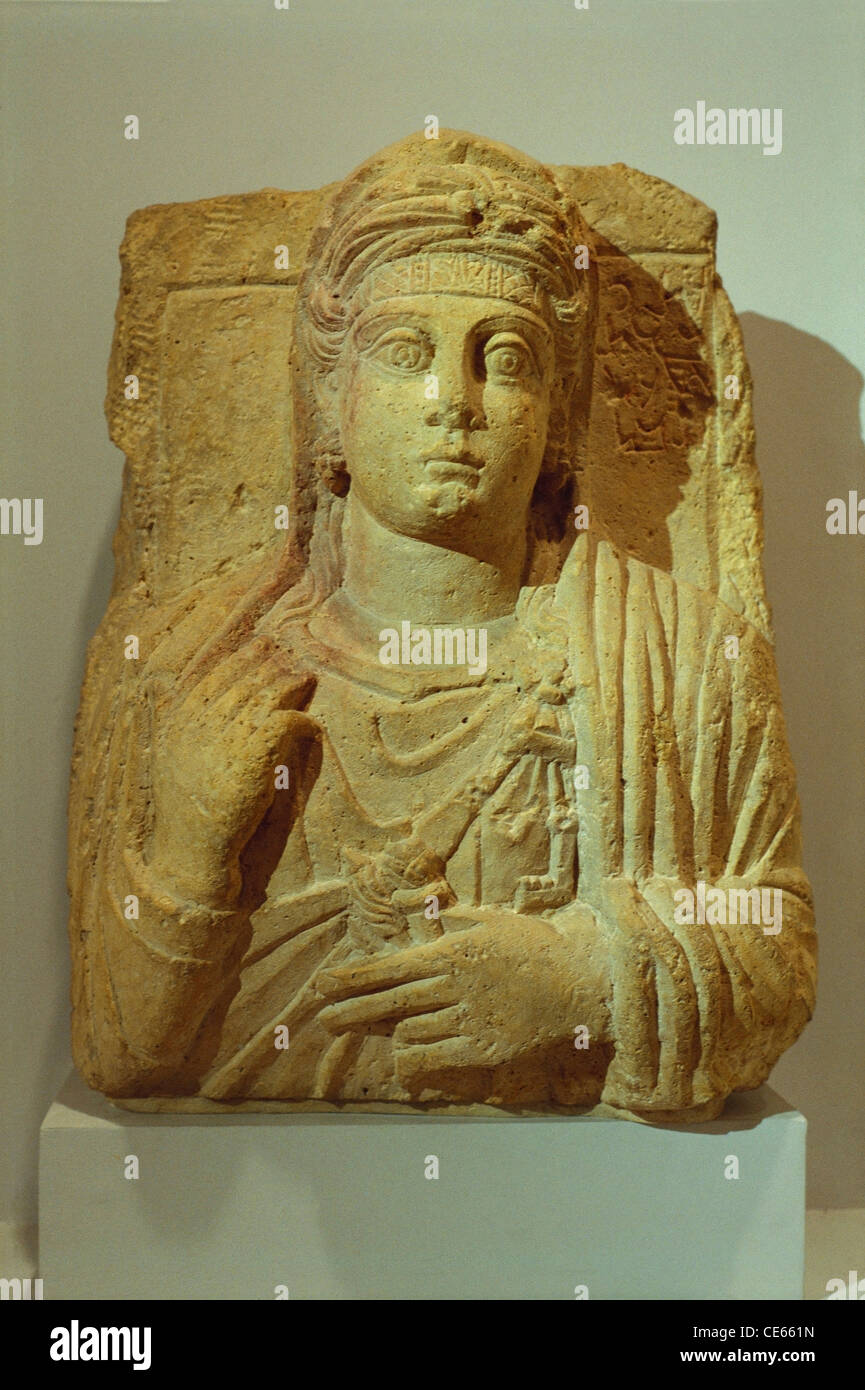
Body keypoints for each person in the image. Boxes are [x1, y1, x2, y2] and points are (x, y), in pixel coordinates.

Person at [69, 131, 816, 1120]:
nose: (453, 404)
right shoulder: (189, 673)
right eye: (404, 352)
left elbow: (773, 939)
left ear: (555, 415)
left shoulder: (688, 664)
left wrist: (584, 983)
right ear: (332, 402)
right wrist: (187, 855)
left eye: (502, 358)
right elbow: (123, 1051)